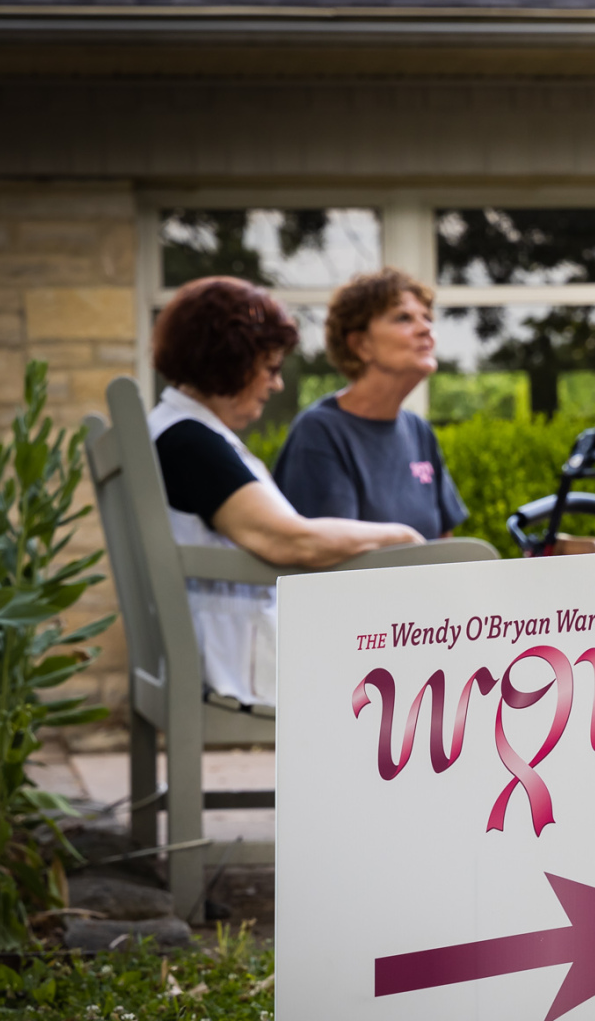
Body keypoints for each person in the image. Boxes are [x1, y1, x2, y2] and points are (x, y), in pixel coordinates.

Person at [149, 277, 424, 708]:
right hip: (239, 671)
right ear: (230, 361)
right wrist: (401, 536)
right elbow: (289, 539)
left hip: (228, 655)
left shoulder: (175, 430)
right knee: (421, 683)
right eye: (271, 368)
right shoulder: (191, 442)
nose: (277, 384)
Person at [273, 268, 468, 539]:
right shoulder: (319, 431)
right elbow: (330, 550)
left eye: (427, 318)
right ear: (360, 344)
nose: (426, 329)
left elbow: (445, 544)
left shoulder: (418, 430)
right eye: (403, 318)